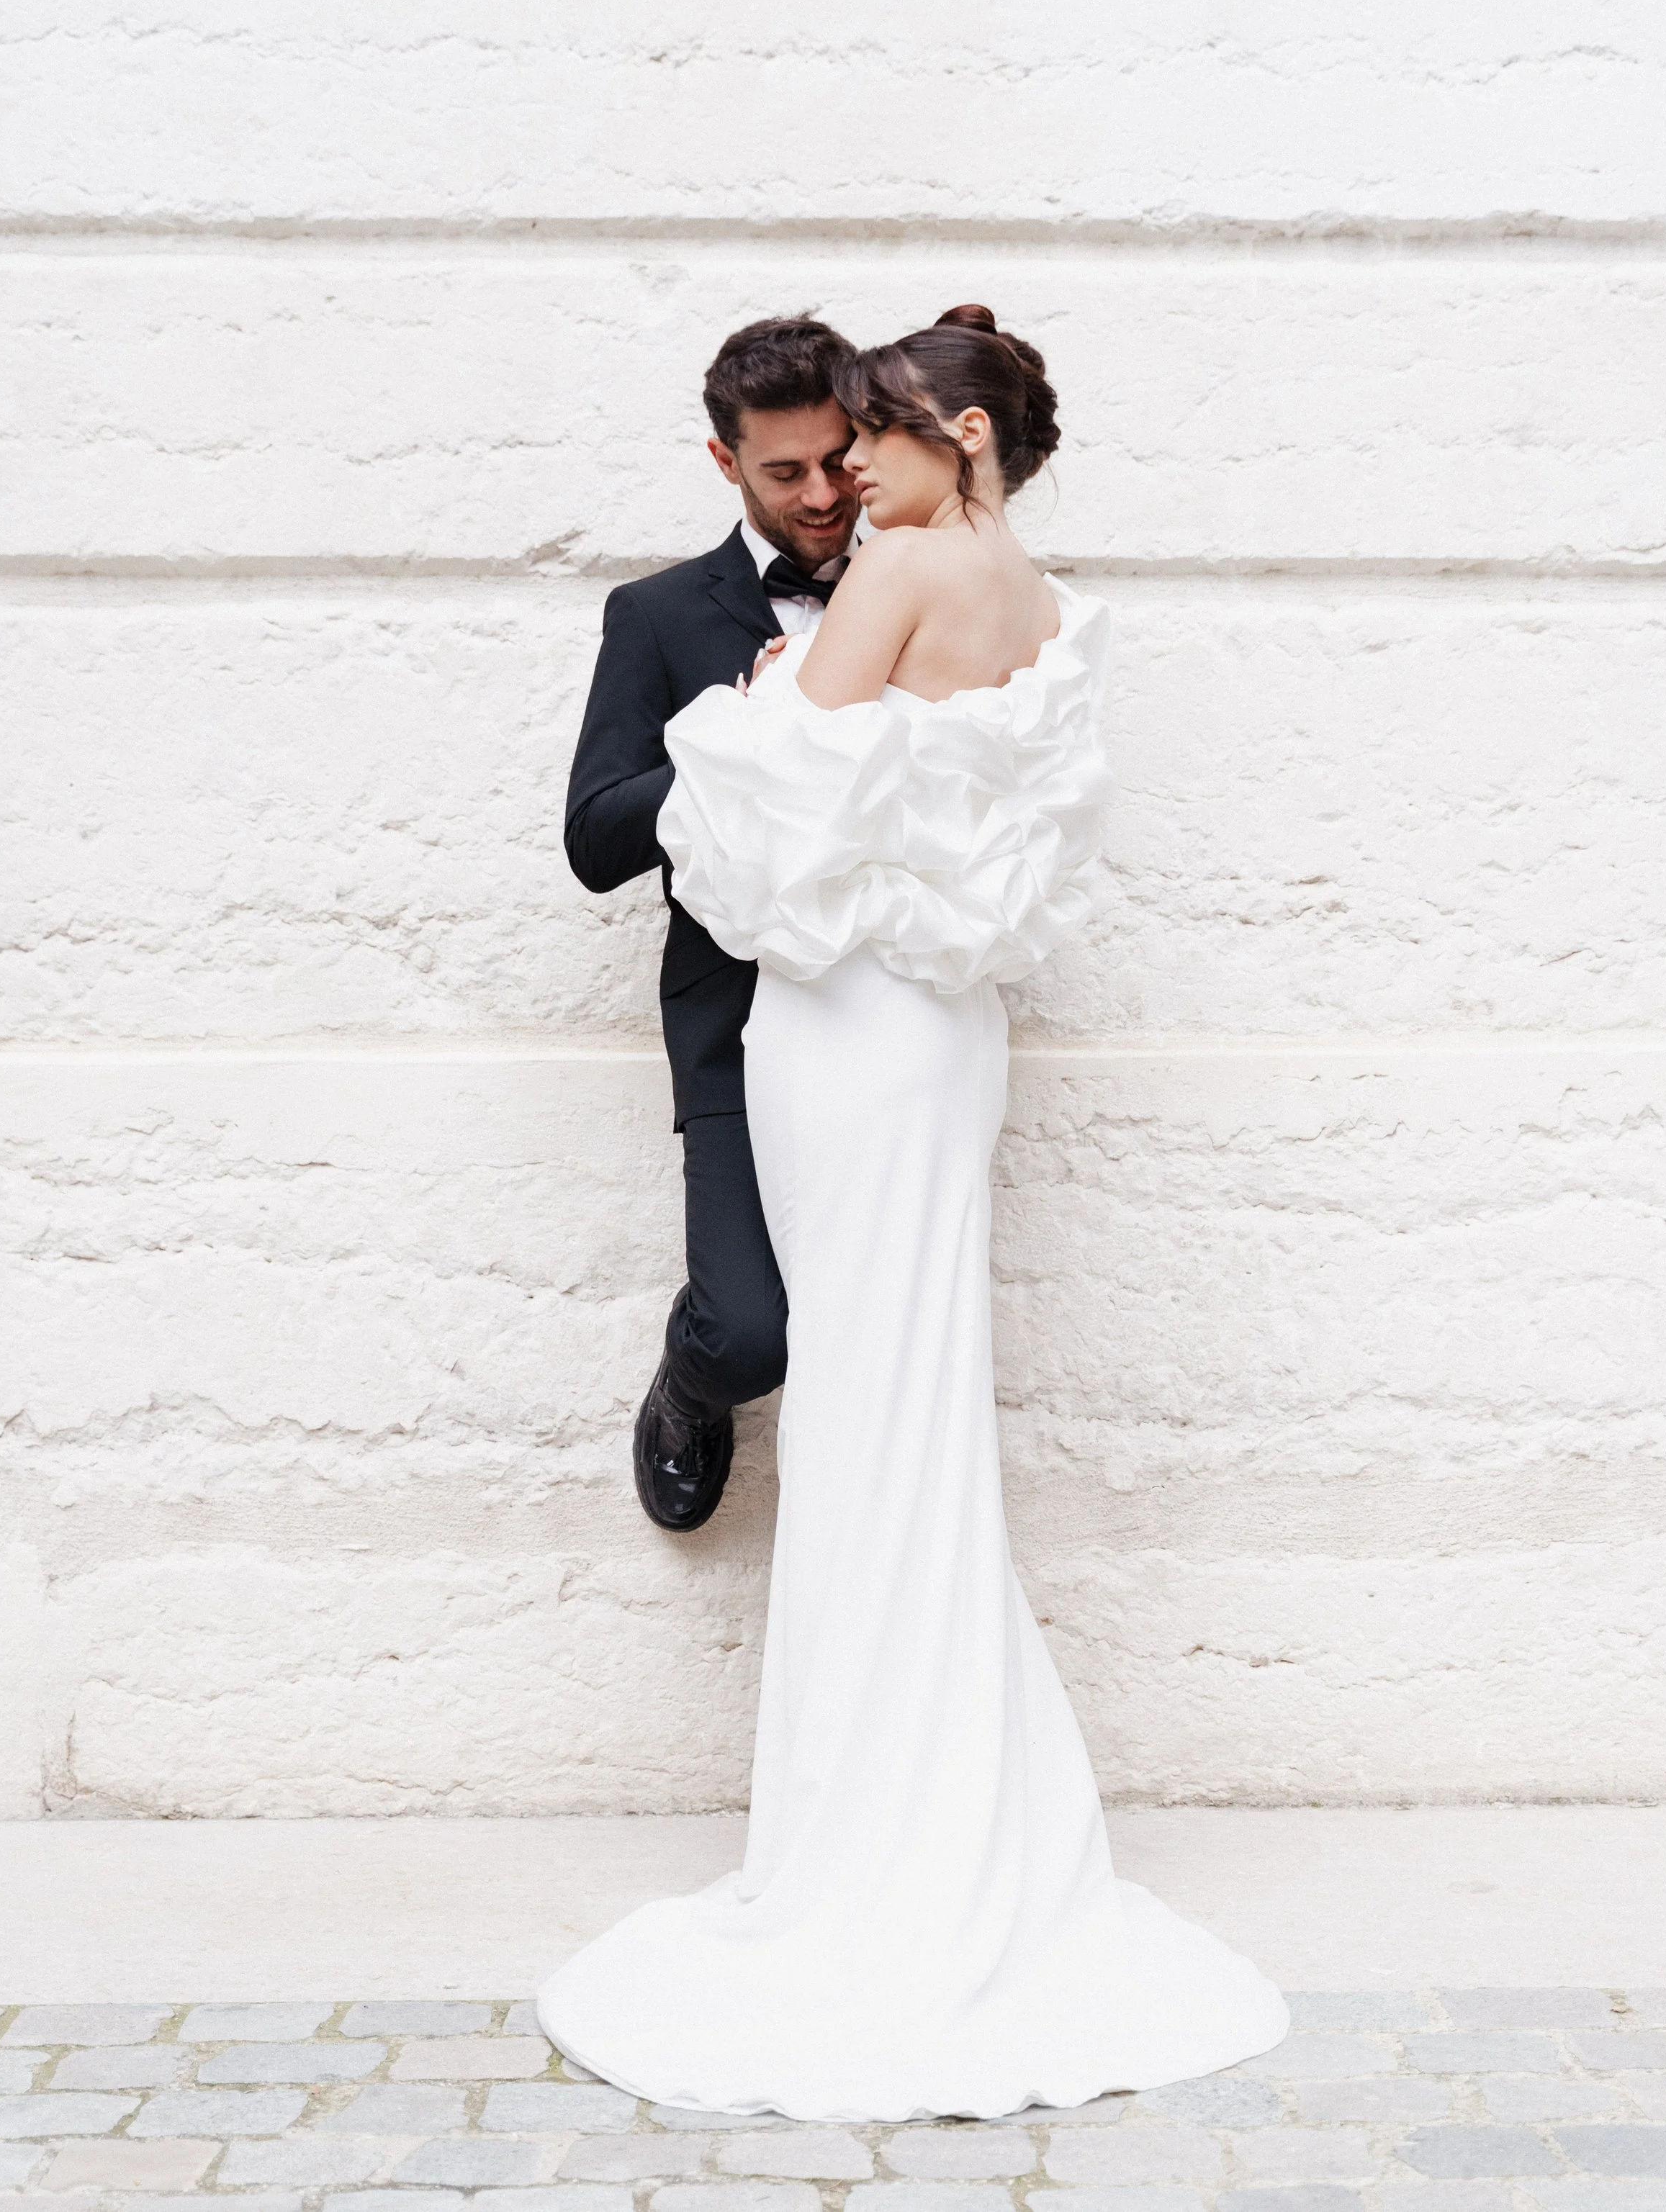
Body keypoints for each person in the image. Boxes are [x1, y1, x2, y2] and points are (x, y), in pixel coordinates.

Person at [537, 305, 1288, 2118]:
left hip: (851, 1025)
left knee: (873, 1421)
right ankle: (966, 1812)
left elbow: (762, 804)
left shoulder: (895, 570)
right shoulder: (1037, 593)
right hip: (950, 1032)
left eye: (872, 432)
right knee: (917, 1410)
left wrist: (730, 733)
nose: (847, 468)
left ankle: (863, 1852)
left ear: (956, 430)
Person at [564, 317, 862, 1532]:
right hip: (737, 1019)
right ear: (723, 460)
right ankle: (696, 1382)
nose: (823, 495)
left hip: (884, 1013)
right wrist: (731, 747)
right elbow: (594, 838)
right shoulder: (657, 615)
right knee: (754, 1330)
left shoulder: (919, 590)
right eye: (784, 471)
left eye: (839, 460)